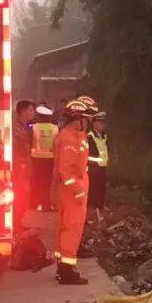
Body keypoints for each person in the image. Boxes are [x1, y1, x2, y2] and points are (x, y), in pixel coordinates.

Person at [53, 98, 96, 285]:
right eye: (85, 119)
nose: (87, 123)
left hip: (72, 190)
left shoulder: (75, 135)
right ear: (77, 119)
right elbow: (66, 170)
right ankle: (67, 270)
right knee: (72, 229)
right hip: (72, 192)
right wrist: (78, 191)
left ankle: (63, 267)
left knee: (66, 229)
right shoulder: (69, 138)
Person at [30, 105, 57, 211]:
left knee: (36, 182)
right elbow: (56, 144)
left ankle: (34, 204)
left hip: (36, 158)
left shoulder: (34, 127)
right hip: (49, 159)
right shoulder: (55, 128)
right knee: (47, 183)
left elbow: (31, 142)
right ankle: (46, 205)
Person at [86, 111, 109, 222]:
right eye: (100, 122)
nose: (102, 125)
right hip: (93, 168)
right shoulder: (90, 136)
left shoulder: (104, 136)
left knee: (101, 190)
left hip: (102, 167)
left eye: (103, 123)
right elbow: (89, 155)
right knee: (94, 191)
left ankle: (100, 212)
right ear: (94, 123)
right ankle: (94, 214)